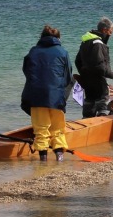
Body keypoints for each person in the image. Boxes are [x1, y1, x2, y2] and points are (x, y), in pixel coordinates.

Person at [22, 25, 74, 161]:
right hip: (56, 95)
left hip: (36, 95)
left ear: (41, 37)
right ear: (58, 38)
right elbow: (68, 75)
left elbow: (26, 71)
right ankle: (59, 158)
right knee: (57, 129)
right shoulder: (62, 52)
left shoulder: (33, 51)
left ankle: (43, 161)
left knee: (40, 129)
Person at [74, 17, 113, 118]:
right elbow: (100, 67)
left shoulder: (85, 42)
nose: (110, 34)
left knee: (89, 102)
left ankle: (86, 121)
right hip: (98, 80)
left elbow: (77, 61)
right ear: (104, 30)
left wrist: (84, 74)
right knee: (104, 101)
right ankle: (103, 122)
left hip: (87, 80)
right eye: (110, 31)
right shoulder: (98, 44)